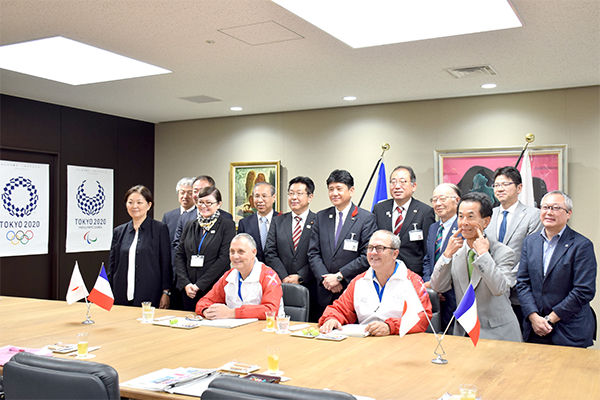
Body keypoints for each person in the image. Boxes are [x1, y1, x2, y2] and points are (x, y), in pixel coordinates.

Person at [430, 192, 522, 342]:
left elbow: (500, 288)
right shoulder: (455, 251)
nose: (464, 222)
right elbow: (437, 286)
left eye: (471, 217)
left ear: (486, 222)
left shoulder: (504, 252)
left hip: (498, 333)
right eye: (460, 216)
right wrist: (446, 255)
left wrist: (484, 255)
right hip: (464, 332)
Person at [517, 191, 597, 347]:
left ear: (569, 214)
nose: (549, 212)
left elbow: (583, 290)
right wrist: (534, 317)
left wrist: (550, 319)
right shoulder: (530, 242)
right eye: (545, 207)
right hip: (535, 329)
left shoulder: (581, 245)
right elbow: (522, 283)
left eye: (555, 208)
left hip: (569, 330)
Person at [319, 230, 432, 336]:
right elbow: (340, 308)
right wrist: (332, 319)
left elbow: (422, 318)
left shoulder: (412, 281)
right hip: (364, 342)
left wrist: (390, 327)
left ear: (395, 254)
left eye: (379, 248)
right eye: (370, 248)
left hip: (398, 341)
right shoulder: (359, 281)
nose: (373, 252)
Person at [308, 169, 377, 315]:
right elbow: (313, 253)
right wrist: (327, 280)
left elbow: (367, 256)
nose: (334, 193)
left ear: (351, 191)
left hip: (351, 290)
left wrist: (339, 277)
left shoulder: (365, 218)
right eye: (331, 189)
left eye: (339, 188)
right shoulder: (321, 217)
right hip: (324, 291)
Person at [485, 166, 543, 328]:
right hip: (489, 291)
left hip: (517, 291)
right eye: (496, 185)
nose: (500, 189)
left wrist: (504, 281)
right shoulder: (489, 215)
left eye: (505, 184)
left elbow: (530, 255)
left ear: (519, 188)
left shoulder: (533, 215)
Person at [265, 176, 319, 321]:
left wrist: (301, 277)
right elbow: (270, 252)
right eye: (291, 193)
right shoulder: (278, 221)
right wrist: (284, 277)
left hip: (310, 286)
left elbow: (320, 255)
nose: (294, 197)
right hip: (280, 286)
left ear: (310, 197)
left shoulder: (319, 221)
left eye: (299, 193)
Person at [107, 185, 172, 308]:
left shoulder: (160, 229)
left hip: (150, 293)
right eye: (130, 202)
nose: (134, 206)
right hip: (121, 293)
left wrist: (166, 292)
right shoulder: (119, 231)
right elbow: (112, 265)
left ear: (149, 205)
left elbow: (165, 263)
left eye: (139, 202)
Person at [175, 186, 236, 311]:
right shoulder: (190, 225)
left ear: (218, 204)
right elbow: (180, 255)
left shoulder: (226, 225)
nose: (203, 206)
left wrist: (199, 285)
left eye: (209, 203)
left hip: (213, 288)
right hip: (188, 289)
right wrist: (186, 283)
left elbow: (224, 258)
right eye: (200, 202)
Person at [196, 233, 284, 319]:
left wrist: (233, 313)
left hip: (268, 329)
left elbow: (271, 310)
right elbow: (204, 302)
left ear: (254, 252)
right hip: (236, 330)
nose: (235, 256)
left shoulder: (269, 277)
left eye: (241, 251)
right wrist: (206, 310)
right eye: (232, 252)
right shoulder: (227, 277)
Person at [372, 165, 435, 277]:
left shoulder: (425, 212)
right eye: (393, 182)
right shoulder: (379, 209)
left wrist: (426, 278)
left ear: (413, 186)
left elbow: (427, 251)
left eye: (402, 182)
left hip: (412, 275)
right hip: (383, 273)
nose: (397, 186)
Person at [422, 183, 461, 333]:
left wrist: (441, 285)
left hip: (455, 296)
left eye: (442, 199)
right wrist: (431, 284)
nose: (438, 204)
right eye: (434, 199)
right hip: (433, 296)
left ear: (456, 200)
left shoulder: (464, 227)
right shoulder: (433, 228)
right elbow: (427, 259)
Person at [173, 175, 233, 250]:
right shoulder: (185, 217)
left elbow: (226, 249)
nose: (199, 194)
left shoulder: (225, 217)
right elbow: (177, 245)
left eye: (203, 190)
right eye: (195, 191)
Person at [161, 177, 194, 310]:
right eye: (182, 192)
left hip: (191, 279)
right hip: (172, 278)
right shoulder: (168, 216)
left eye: (190, 192)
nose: (185, 196)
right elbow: (164, 248)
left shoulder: (200, 216)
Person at [237, 182, 280, 263]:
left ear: (274, 197)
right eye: (257, 196)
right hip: (252, 271)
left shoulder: (282, 220)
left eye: (264, 196)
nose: (260, 200)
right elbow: (240, 251)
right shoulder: (244, 223)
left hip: (278, 272)